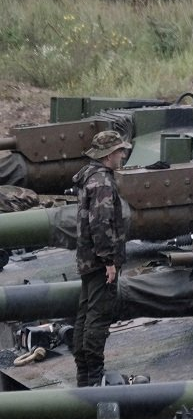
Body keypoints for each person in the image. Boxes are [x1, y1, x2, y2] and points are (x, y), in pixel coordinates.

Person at [72, 130, 132, 387]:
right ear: (108, 155)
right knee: (97, 318)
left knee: (85, 315)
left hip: (87, 259)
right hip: (100, 262)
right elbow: (101, 222)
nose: (123, 155)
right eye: (119, 151)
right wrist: (109, 260)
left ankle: (84, 375)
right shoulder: (103, 182)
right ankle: (94, 378)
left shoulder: (89, 177)